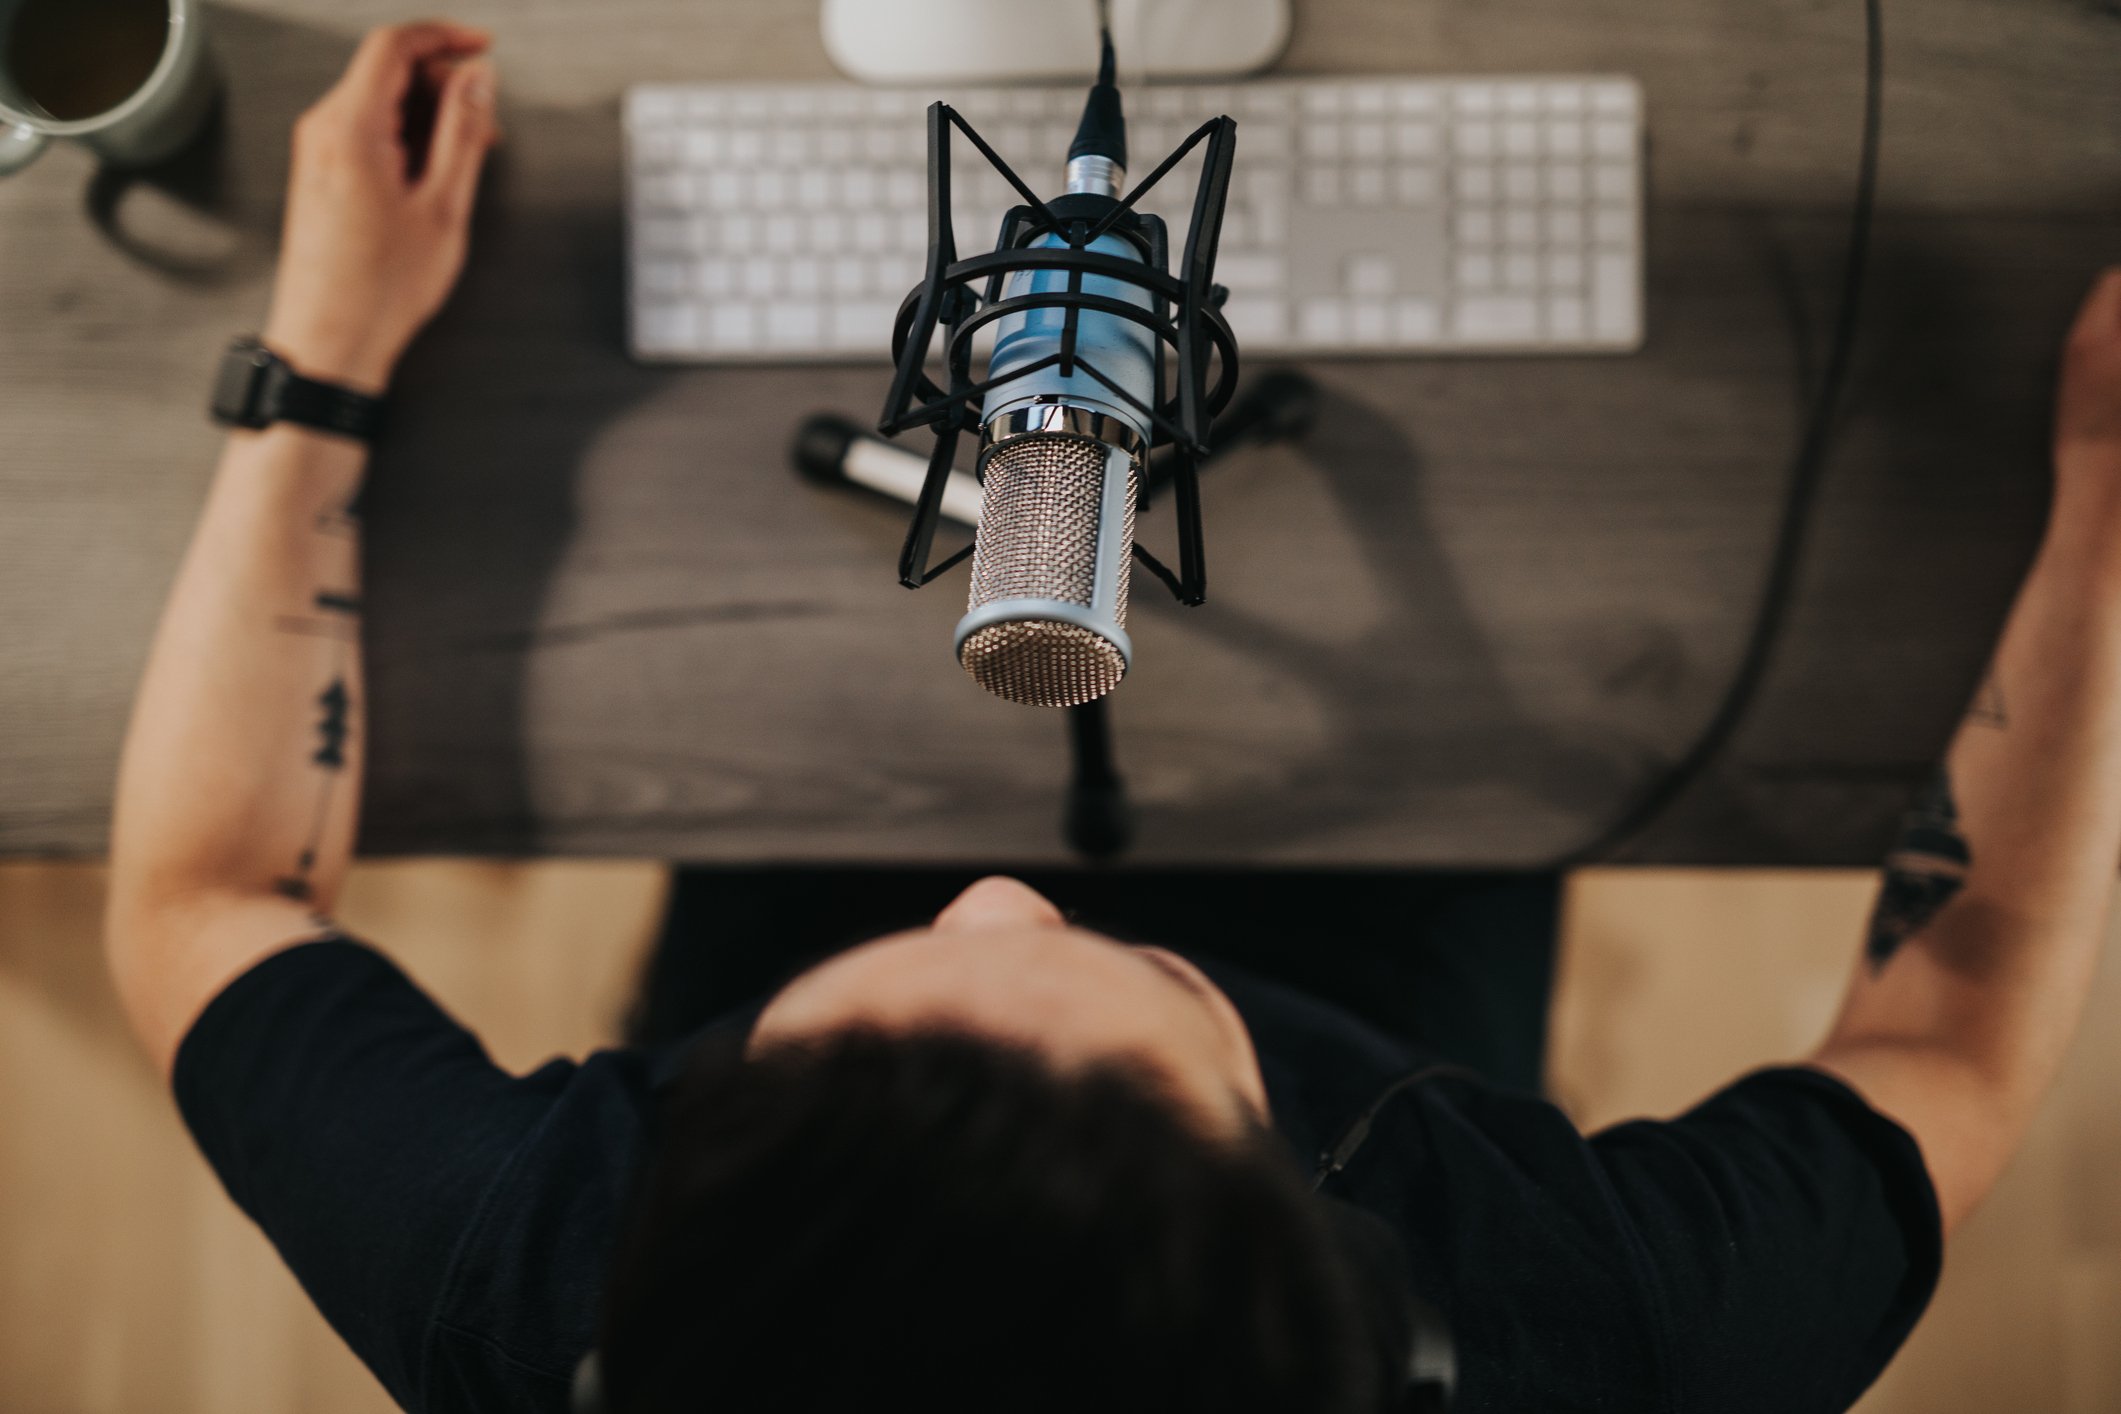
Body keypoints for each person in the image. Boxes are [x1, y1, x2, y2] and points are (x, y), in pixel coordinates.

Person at [105, 20, 2121, 1414]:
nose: (994, 893)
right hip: (1406, 992)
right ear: (1371, 1304)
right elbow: (1957, 1019)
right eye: (1123, 998)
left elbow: (198, 902)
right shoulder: (1585, 1325)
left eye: (838, 1052)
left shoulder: (527, 1286)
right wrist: (2110, 494)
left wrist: (322, 363)